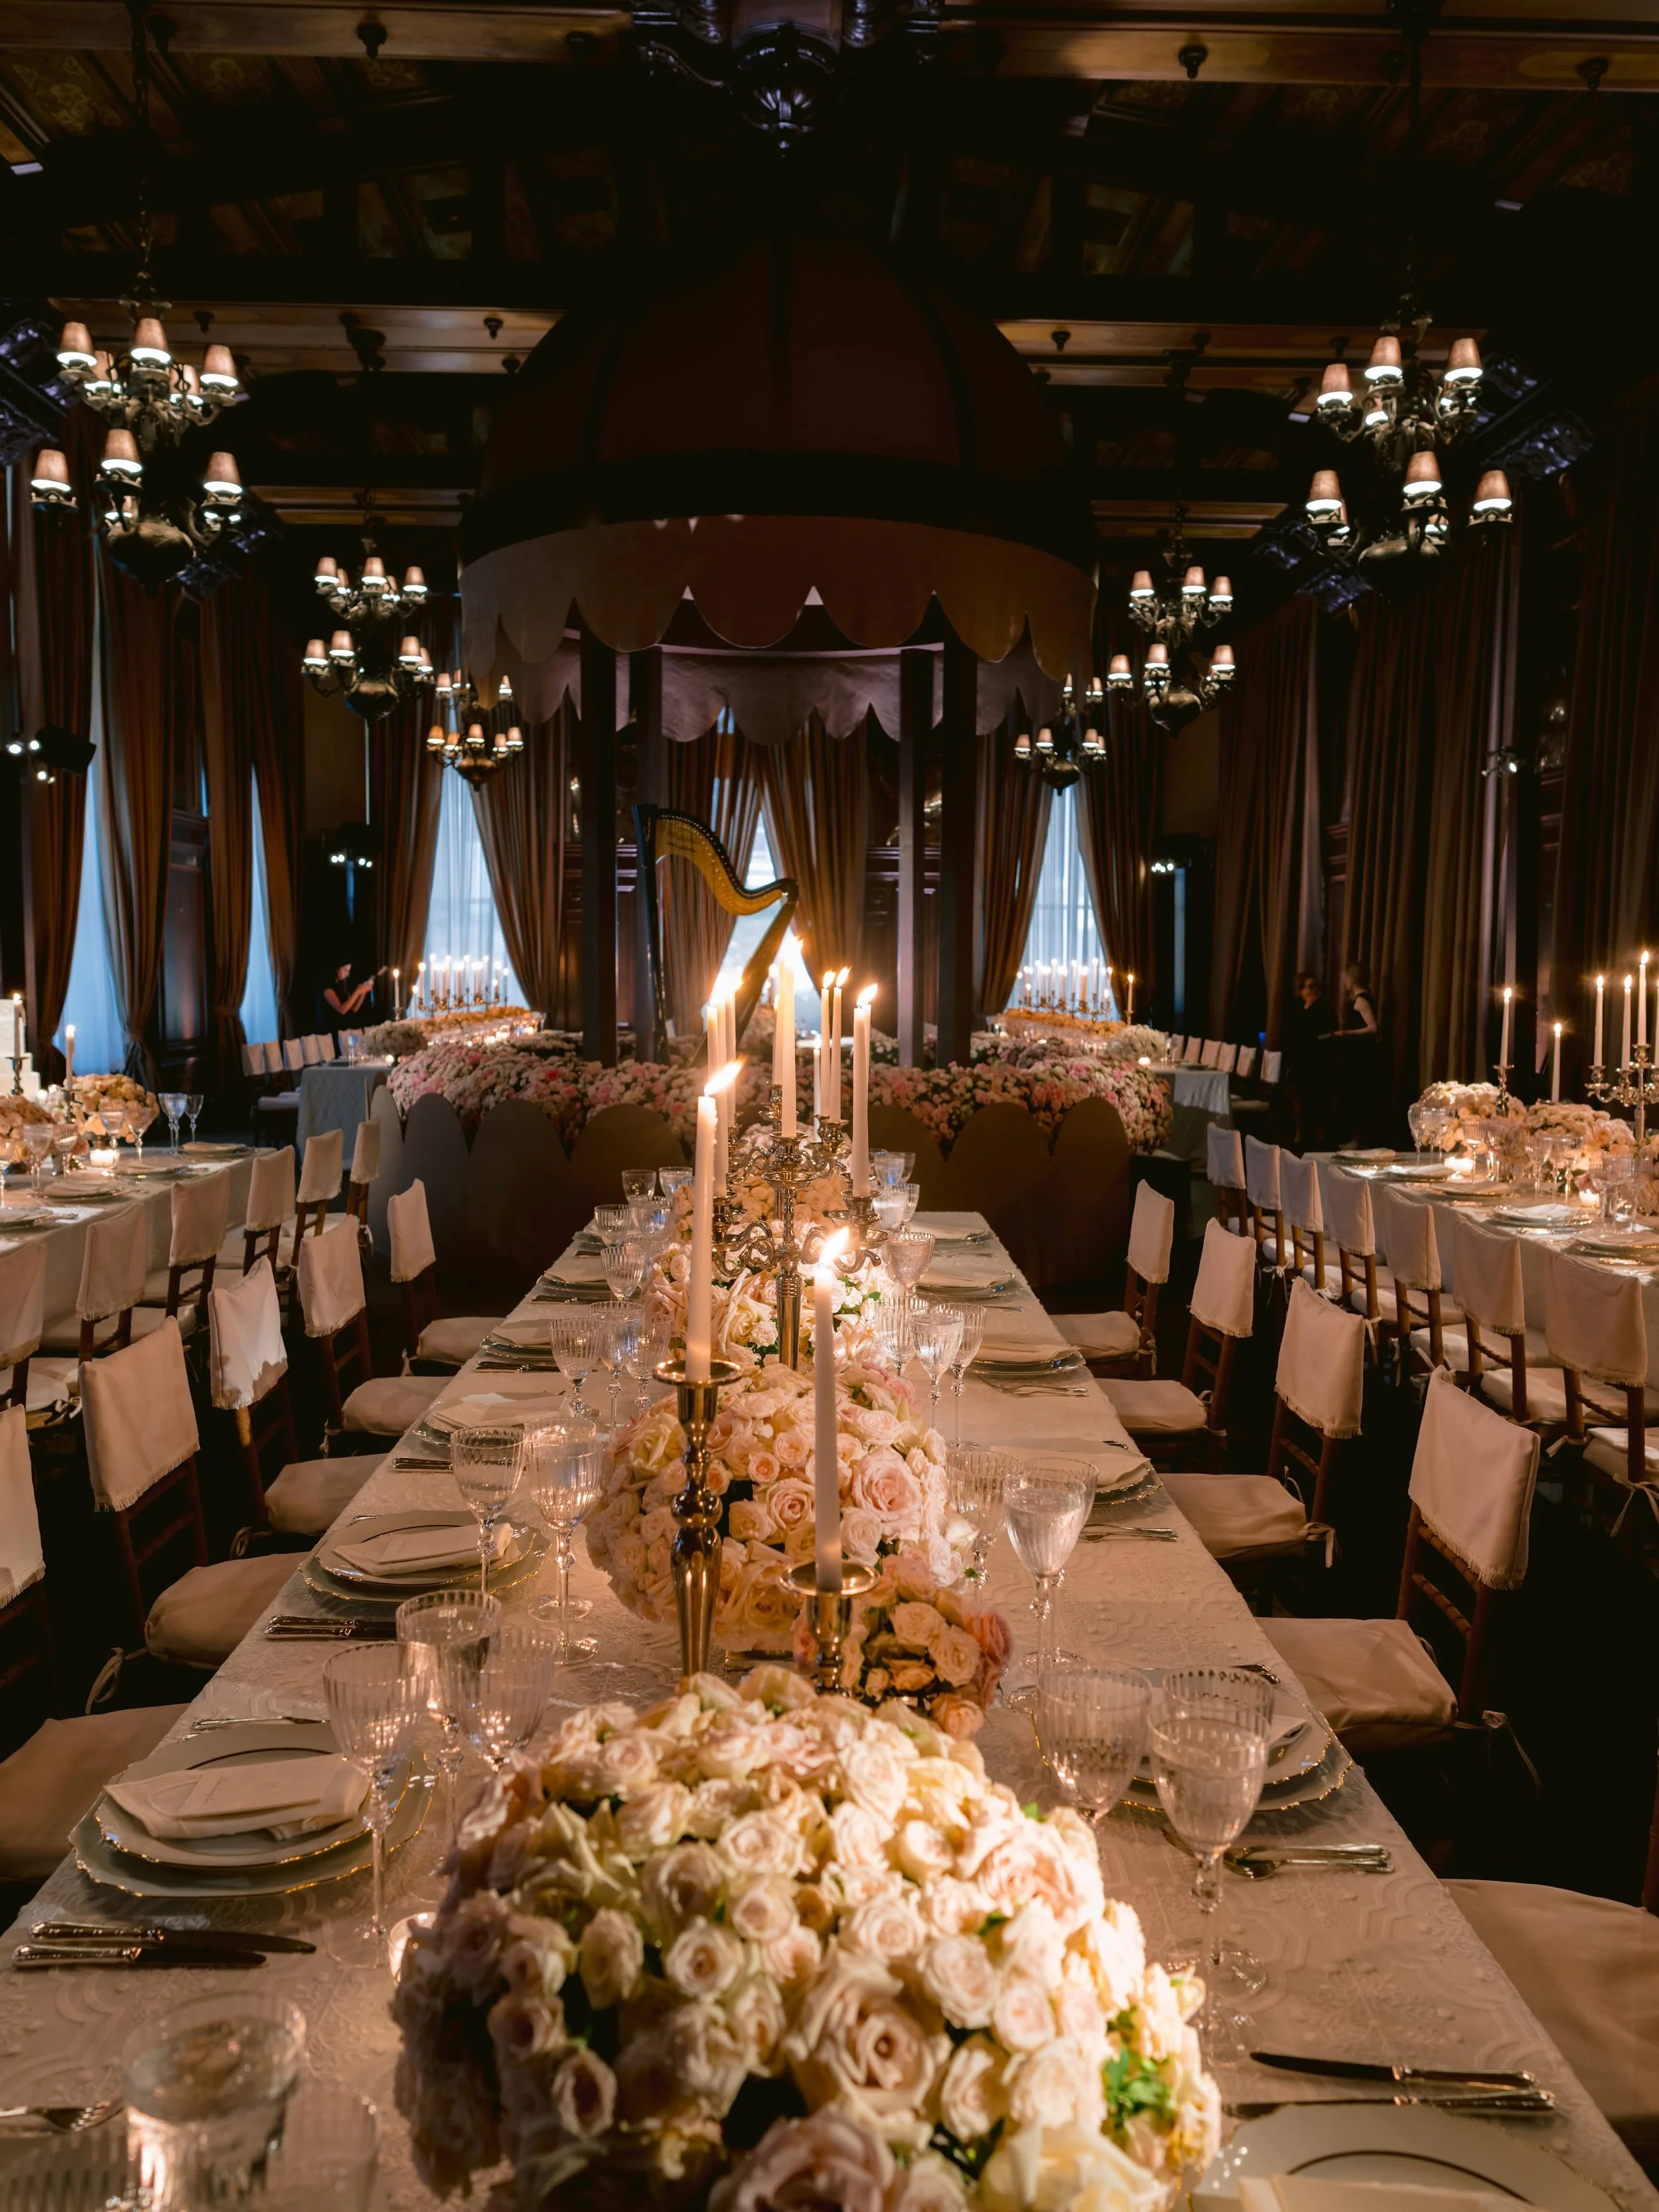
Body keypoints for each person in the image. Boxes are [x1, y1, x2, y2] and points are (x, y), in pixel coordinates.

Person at [1332, 960, 1387, 1143]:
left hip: (1361, 1058)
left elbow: (1372, 1028)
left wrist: (1346, 1033)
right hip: (1360, 1056)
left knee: (1357, 1098)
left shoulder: (1361, 999)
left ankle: (1356, 1139)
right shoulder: (1361, 998)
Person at [1283, 970, 1337, 1148]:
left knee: (1323, 1090)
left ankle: (1322, 1134)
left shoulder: (1326, 1007)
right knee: (1297, 1085)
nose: (1314, 989)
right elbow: (1296, 1034)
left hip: (1321, 1058)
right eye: (1310, 986)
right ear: (1301, 990)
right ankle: (1299, 1132)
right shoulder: (1295, 1008)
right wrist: (1308, 1008)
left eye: (1317, 985)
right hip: (1300, 1059)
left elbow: (1329, 1031)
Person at [319, 958, 376, 1041]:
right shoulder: (327, 988)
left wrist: (362, 992)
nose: (347, 974)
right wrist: (358, 991)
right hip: (331, 1033)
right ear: (336, 968)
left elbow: (353, 1009)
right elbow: (342, 1010)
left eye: (348, 971)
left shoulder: (341, 985)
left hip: (344, 1032)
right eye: (345, 970)